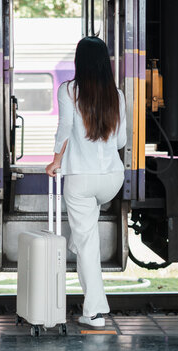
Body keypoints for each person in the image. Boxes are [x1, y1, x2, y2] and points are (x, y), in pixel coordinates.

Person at [45, 36, 126, 328]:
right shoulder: (117, 94)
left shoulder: (68, 91)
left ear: (79, 61)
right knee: (85, 237)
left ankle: (94, 312)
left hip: (81, 178)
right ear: (106, 62)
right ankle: (82, 249)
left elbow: (64, 129)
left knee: (87, 241)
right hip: (112, 179)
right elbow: (122, 140)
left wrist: (55, 160)